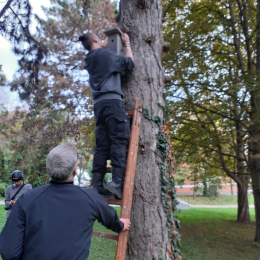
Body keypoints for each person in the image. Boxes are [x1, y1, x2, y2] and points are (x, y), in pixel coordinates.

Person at [0, 142, 130, 260]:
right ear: (75, 171)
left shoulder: (27, 199)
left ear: (48, 168)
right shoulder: (91, 198)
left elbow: (9, 253)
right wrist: (120, 224)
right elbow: (111, 220)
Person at [78, 31, 134, 200]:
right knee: (120, 139)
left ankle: (97, 186)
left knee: (102, 146)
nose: (104, 40)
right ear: (95, 39)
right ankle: (116, 183)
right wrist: (128, 43)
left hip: (99, 105)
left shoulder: (89, 60)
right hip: (112, 102)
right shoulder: (105, 54)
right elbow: (130, 64)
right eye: (100, 37)